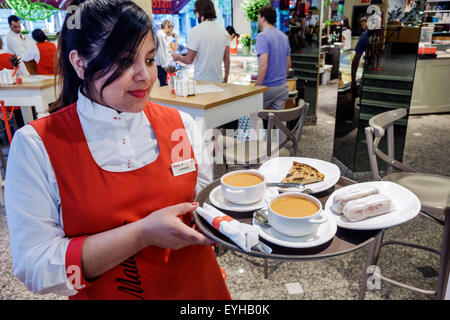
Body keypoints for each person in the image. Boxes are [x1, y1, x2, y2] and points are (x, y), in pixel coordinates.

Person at [5, 0, 230, 300]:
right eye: (125, 61)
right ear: (80, 63)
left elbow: (203, 209)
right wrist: (141, 234)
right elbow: (36, 267)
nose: (146, 76)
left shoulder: (182, 125)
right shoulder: (37, 146)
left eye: (150, 60)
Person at [172, 0, 230, 83]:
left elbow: (189, 60)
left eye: (195, 11)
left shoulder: (195, 31)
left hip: (201, 81)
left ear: (199, 12)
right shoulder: (223, 32)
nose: (195, 15)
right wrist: (226, 78)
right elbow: (227, 58)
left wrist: (177, 57)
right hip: (218, 81)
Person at [255, 5, 291, 112]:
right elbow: (288, 64)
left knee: (247, 113)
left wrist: (257, 86)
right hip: (282, 87)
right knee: (277, 121)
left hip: (267, 87)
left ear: (263, 18)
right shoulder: (284, 37)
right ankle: (272, 130)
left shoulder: (262, 36)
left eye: (258, 17)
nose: (258, 20)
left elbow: (263, 65)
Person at [351, 15, 368, 100]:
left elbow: (355, 60)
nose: (362, 27)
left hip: (367, 71)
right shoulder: (380, 32)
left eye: (363, 25)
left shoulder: (365, 35)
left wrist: (353, 81)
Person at [155, 20, 177, 87]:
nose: (171, 31)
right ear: (167, 27)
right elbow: (162, 52)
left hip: (164, 65)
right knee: (165, 86)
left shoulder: (162, 35)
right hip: (163, 66)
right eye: (171, 29)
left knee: (167, 85)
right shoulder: (160, 35)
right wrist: (165, 66)